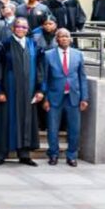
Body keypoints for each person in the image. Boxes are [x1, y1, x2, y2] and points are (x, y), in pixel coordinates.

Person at [0, 17, 44, 166]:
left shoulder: (34, 45)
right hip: (9, 92)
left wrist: (40, 90)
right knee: (5, 121)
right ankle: (1, 155)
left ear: (28, 29)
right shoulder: (3, 45)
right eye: (18, 26)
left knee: (27, 121)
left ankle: (24, 155)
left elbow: (40, 69)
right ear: (13, 28)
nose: (21, 29)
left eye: (24, 27)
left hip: (28, 91)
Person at [42, 29, 89, 167]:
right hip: (54, 97)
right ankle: (53, 154)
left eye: (66, 36)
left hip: (73, 97)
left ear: (70, 39)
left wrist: (84, 98)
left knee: (74, 129)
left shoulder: (78, 54)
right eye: (61, 36)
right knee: (52, 128)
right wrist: (45, 98)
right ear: (56, 39)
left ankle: (72, 156)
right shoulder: (48, 55)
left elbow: (82, 77)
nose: (64, 38)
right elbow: (44, 78)